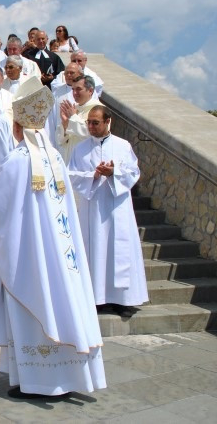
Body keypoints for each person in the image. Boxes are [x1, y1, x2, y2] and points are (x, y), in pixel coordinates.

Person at [0, 76, 106, 398]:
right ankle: (68, 376)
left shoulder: (17, 159)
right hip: (62, 253)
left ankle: (39, 382)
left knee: (34, 306)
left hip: (30, 256)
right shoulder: (55, 157)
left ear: (17, 125)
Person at [68, 105, 149, 317]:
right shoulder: (81, 149)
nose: (91, 127)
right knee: (95, 249)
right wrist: (93, 176)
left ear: (107, 122)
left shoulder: (123, 146)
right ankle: (97, 299)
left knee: (119, 250)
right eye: (89, 122)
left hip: (118, 207)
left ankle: (123, 300)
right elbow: (72, 175)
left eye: (95, 123)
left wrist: (114, 172)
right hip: (93, 208)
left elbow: (133, 173)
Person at [56, 75, 102, 163]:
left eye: (78, 89)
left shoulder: (99, 110)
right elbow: (60, 140)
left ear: (90, 91)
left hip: (87, 160)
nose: (74, 93)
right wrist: (65, 124)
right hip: (70, 159)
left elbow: (92, 133)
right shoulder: (75, 108)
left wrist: (73, 117)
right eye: (73, 89)